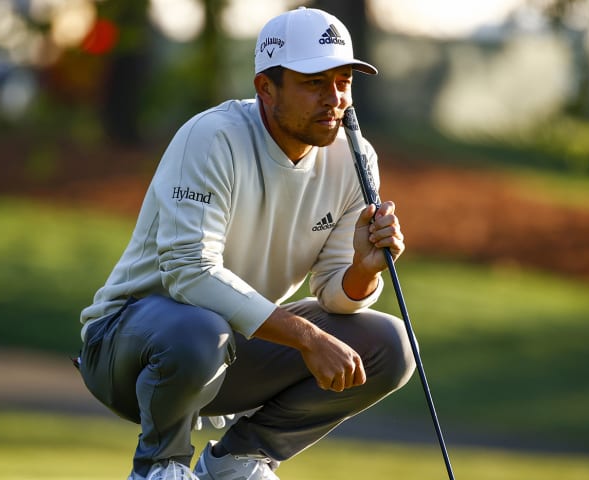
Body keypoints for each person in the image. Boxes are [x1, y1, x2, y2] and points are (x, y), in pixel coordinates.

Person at [76, 7, 415, 480]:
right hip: (126, 349)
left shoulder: (355, 157)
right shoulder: (213, 137)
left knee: (389, 346)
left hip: (229, 348)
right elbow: (188, 272)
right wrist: (307, 337)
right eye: (314, 83)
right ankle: (160, 466)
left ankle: (240, 457)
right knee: (198, 331)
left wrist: (363, 268)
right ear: (266, 87)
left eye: (343, 81)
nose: (335, 98)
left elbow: (333, 294)